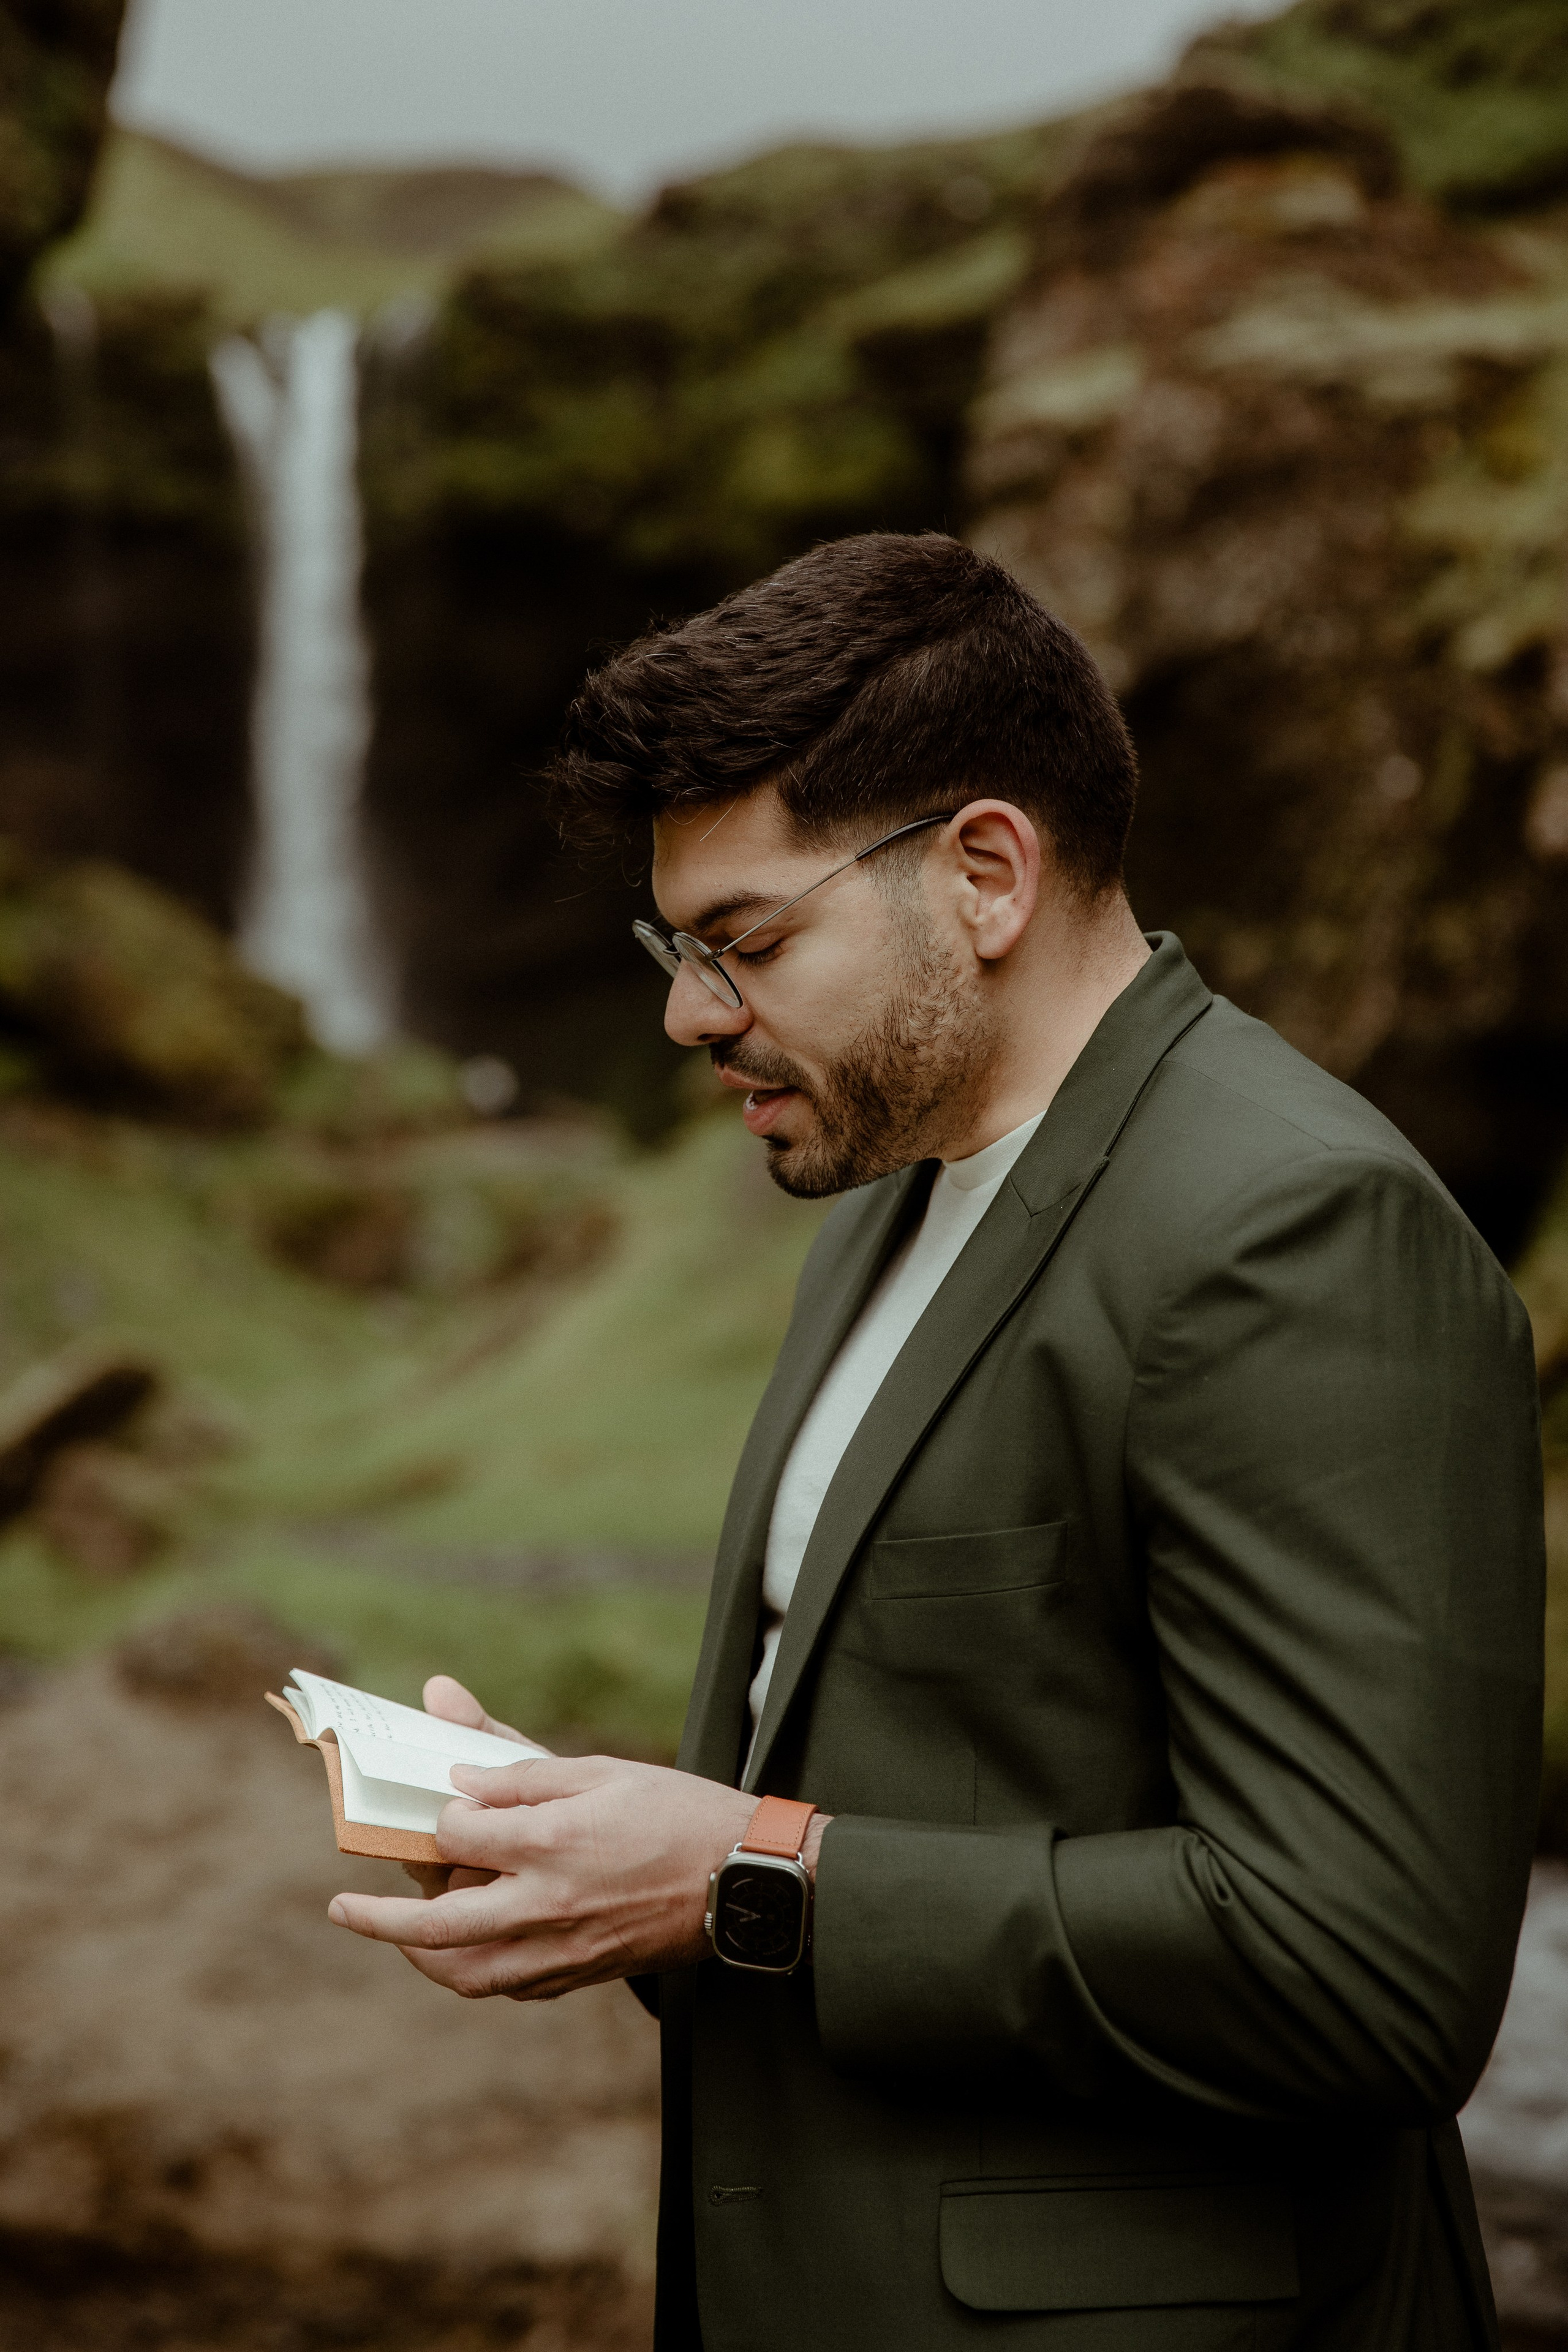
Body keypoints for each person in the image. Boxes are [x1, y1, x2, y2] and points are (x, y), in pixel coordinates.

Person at [327, 533, 1545, 2351]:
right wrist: (608, 1848)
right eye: (675, 948)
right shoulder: (875, 1218)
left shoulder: (1293, 1230)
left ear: (986, 872)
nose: (689, 1014)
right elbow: (906, 1790)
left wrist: (746, 1873)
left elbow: (1365, 1972)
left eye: (747, 943)